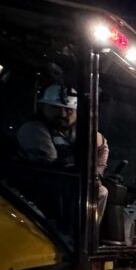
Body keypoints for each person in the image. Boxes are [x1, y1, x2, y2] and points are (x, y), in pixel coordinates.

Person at [17, 83, 109, 219]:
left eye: (68, 110)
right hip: (37, 188)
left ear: (76, 112)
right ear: (44, 107)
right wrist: (81, 170)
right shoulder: (34, 129)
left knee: (100, 191)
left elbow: (102, 146)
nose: (62, 114)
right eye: (55, 108)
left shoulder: (80, 132)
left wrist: (97, 172)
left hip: (66, 187)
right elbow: (51, 162)